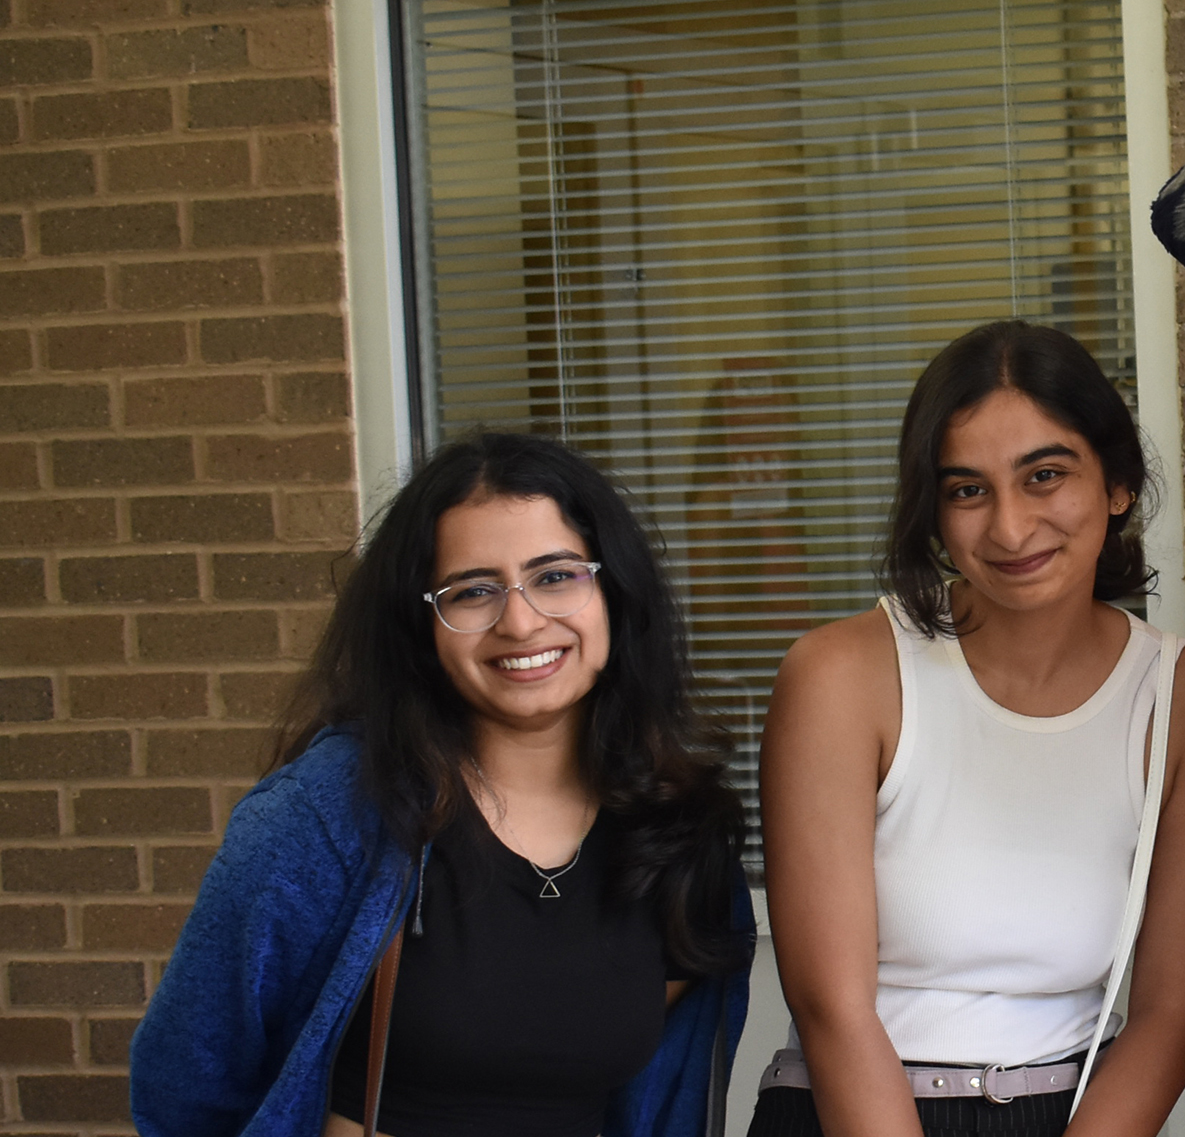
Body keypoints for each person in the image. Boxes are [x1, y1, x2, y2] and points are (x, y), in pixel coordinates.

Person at [130, 433, 756, 1137]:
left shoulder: (675, 833)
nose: (520, 622)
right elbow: (187, 1084)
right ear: (421, 621)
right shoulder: (328, 816)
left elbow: (665, 1093)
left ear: (612, 591)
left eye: (556, 576)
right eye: (473, 591)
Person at [749, 321, 1185, 1137]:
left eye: (1044, 476)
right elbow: (830, 1005)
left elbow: (1172, 1013)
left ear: (1118, 483)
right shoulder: (841, 676)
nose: (1011, 529)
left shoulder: (1181, 697)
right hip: (848, 1110)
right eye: (967, 490)